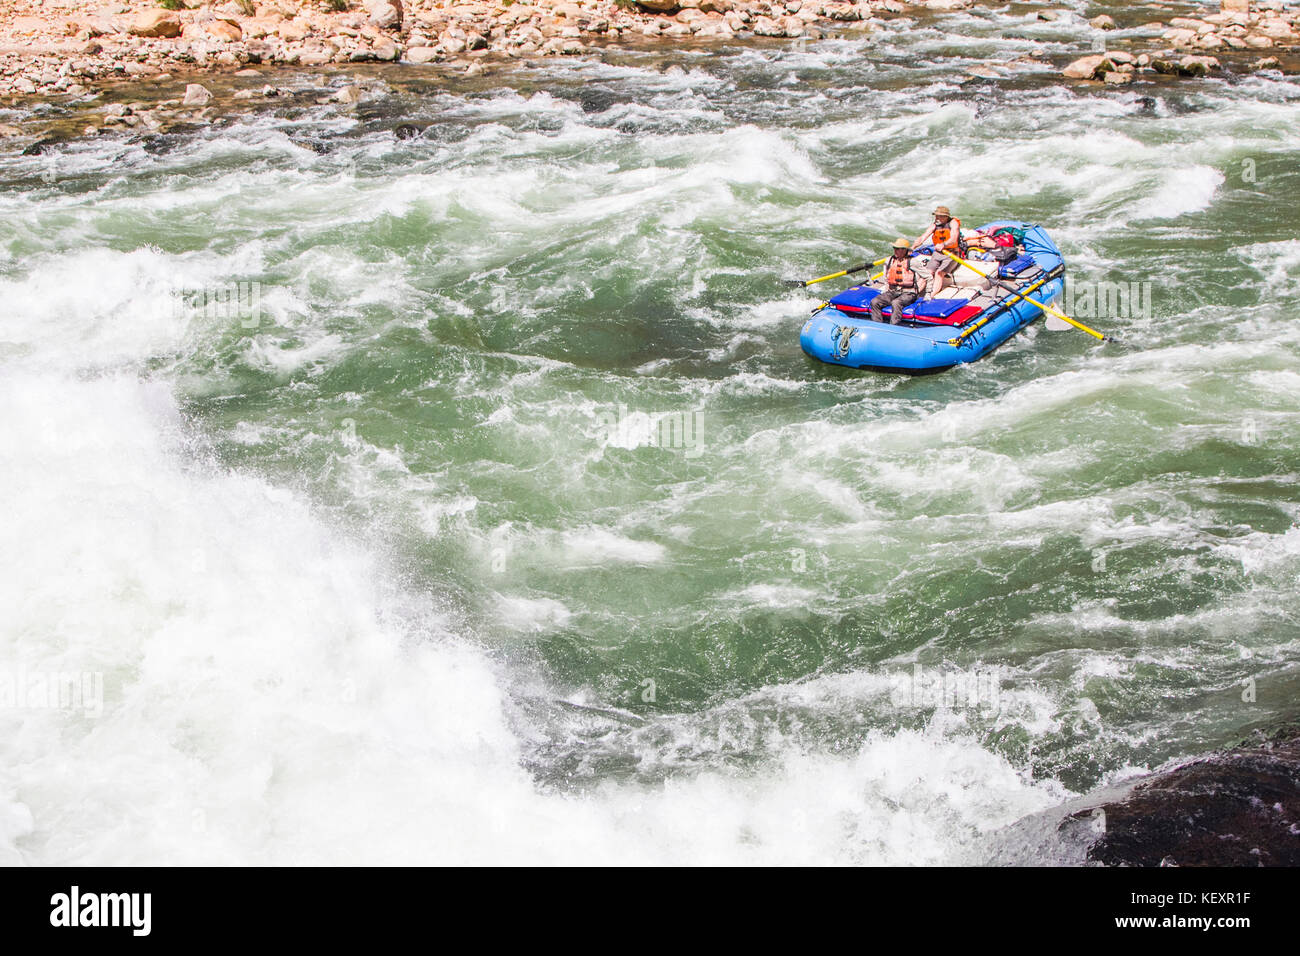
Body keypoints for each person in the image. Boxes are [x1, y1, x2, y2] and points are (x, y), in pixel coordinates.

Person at [913, 205, 963, 299]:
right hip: (938, 254)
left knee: (939, 273)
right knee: (927, 273)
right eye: (936, 216)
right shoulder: (935, 225)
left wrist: (943, 244)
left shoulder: (953, 223)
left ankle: (931, 295)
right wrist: (912, 247)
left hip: (951, 254)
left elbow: (953, 239)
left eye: (939, 216)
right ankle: (914, 294)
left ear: (945, 217)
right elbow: (923, 237)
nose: (936, 218)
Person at [869, 237, 920, 325]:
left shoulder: (913, 262)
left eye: (897, 249)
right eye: (894, 248)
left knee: (896, 302)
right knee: (875, 302)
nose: (895, 251)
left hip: (908, 293)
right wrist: (886, 290)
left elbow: (927, 277)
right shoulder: (890, 261)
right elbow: (886, 278)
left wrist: (928, 294)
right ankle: (877, 325)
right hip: (893, 292)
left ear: (904, 250)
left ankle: (893, 326)